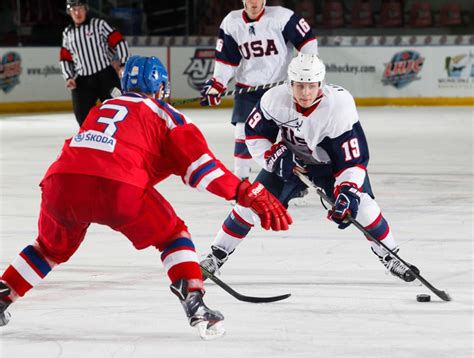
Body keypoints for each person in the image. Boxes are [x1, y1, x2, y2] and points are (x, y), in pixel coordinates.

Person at [0, 56, 292, 340]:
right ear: (161, 87)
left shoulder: (102, 108)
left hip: (61, 181)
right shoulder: (168, 116)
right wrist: (243, 191)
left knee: (48, 249)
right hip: (117, 188)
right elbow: (203, 170)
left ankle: (4, 292)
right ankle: (194, 299)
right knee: (173, 234)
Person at [201, 53, 420, 284]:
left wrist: (347, 190)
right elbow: (255, 136)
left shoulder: (339, 108)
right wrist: (271, 157)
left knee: (363, 207)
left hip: (331, 168)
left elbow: (353, 161)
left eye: (311, 86)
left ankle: (390, 255)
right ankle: (216, 256)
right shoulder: (273, 100)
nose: (305, 93)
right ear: (290, 84)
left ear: (320, 84)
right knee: (251, 203)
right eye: (300, 86)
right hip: (289, 165)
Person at [200, 0, 319, 180]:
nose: (254, 2)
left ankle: (296, 179)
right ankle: (241, 184)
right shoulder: (231, 22)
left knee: (292, 137)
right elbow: (226, 60)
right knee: (242, 133)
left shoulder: (282, 17)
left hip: (280, 90)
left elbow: (307, 41)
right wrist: (218, 84)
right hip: (247, 91)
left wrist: (305, 70)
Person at [59, 0, 130, 126]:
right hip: (82, 81)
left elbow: (119, 41)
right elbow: (65, 58)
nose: (77, 12)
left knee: (119, 111)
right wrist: (68, 77)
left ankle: (121, 141)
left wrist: (123, 64)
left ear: (86, 9)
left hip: (106, 76)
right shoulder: (67, 33)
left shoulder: (98, 25)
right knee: (83, 118)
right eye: (73, 9)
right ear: (69, 12)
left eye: (80, 8)